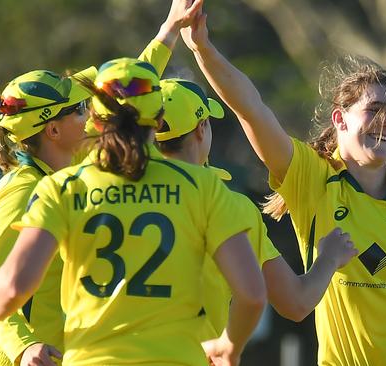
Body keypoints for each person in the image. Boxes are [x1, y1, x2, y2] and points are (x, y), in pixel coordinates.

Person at [179, 10, 386, 366]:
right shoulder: (310, 178)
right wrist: (203, 49)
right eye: (375, 109)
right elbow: (251, 110)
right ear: (340, 119)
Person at [0, 58, 266, 366]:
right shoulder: (202, 186)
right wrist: (229, 345)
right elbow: (252, 295)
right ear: (158, 122)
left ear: (96, 120)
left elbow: (13, 286)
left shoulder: (62, 188)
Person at [0, 2, 204, 365]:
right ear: (53, 130)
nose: (90, 111)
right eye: (78, 109)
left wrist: (167, 31)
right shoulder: (21, 190)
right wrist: (24, 345)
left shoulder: (75, 166)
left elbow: (127, 95)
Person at [153, 78, 357, 344]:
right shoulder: (227, 206)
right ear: (202, 129)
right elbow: (295, 302)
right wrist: (329, 257)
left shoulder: (103, 192)